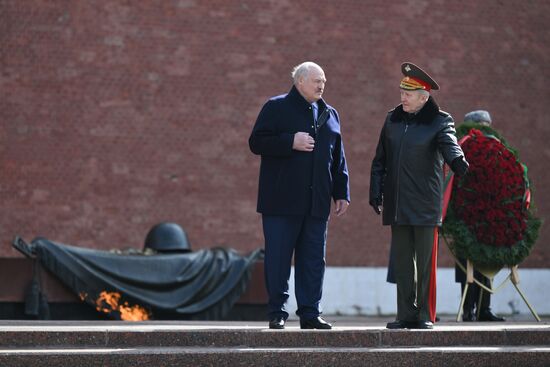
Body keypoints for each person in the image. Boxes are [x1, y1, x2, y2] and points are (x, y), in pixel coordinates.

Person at [249, 61, 350, 330]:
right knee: (279, 259)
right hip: (281, 201)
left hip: (316, 203)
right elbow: (256, 142)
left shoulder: (330, 113)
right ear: (300, 81)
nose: (321, 86)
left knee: (313, 260)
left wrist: (341, 192)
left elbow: (337, 157)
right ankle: (277, 312)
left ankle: (310, 312)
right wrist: (289, 141)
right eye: (317, 80)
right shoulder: (276, 107)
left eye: (324, 81)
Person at [370, 62, 469, 329]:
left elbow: (450, 143)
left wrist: (458, 160)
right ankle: (405, 315)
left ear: (424, 97)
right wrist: (375, 189)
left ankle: (424, 315)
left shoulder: (440, 120)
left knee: (425, 265)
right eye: (402, 91)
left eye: (409, 93)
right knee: (403, 264)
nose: (403, 97)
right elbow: (380, 159)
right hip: (398, 203)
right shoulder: (392, 119)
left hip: (425, 203)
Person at [455, 110, 505, 322]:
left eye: (488, 125)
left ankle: (484, 308)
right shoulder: (461, 146)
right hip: (465, 213)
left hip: (488, 214)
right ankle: (468, 309)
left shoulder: (496, 148)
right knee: (465, 264)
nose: (486, 130)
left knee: (487, 261)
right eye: (482, 125)